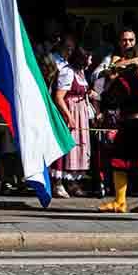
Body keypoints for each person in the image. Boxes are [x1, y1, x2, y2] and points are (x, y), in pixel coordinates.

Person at [98, 41, 138, 213]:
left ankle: (120, 202)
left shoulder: (127, 78)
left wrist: (111, 79)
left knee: (119, 162)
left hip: (132, 125)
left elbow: (109, 101)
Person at [52, 47, 92, 197]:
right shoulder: (67, 72)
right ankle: (58, 183)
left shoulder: (80, 72)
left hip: (80, 111)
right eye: (88, 57)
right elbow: (59, 96)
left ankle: (72, 182)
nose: (91, 61)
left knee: (78, 148)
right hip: (70, 110)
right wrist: (69, 116)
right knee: (67, 146)